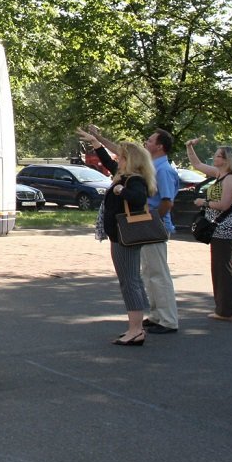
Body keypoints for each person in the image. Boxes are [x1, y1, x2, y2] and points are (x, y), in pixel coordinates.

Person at [89, 125, 179, 334]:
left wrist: (154, 222)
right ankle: (156, 316)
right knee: (147, 273)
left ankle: (168, 319)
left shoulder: (163, 170)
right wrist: (99, 139)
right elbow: (121, 154)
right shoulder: (146, 166)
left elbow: (167, 201)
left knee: (158, 273)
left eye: (150, 140)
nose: (146, 142)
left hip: (149, 226)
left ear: (160, 146)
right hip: (142, 225)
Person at [81, 130, 155, 346]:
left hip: (126, 236)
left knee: (129, 281)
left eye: (121, 157)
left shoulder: (134, 180)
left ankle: (136, 329)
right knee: (130, 280)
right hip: (120, 235)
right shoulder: (125, 176)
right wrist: (96, 143)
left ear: (130, 160)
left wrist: (121, 190)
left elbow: (139, 197)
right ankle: (135, 327)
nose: (117, 160)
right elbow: (106, 161)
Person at [185, 139, 232, 322]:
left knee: (221, 268)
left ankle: (225, 310)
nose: (215, 158)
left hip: (223, 226)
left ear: (228, 159)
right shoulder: (220, 174)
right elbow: (197, 164)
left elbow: (224, 204)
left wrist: (203, 202)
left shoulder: (231, 178)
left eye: (219, 156)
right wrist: (189, 147)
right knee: (228, 266)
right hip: (220, 226)